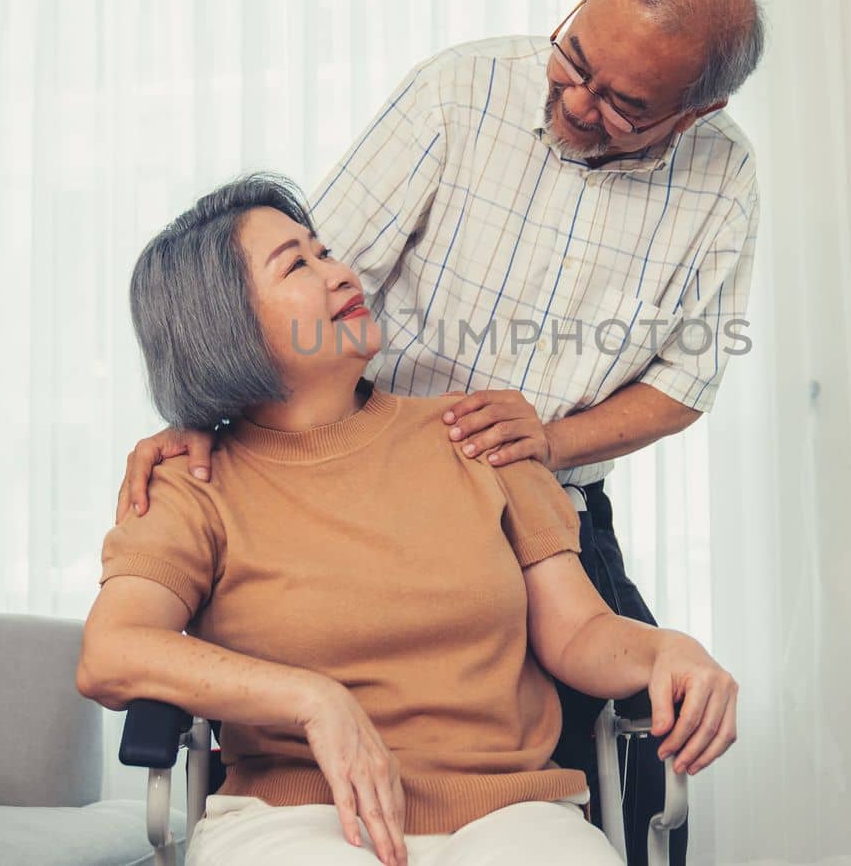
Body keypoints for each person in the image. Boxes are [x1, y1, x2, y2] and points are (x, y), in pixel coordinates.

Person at [115, 0, 764, 865]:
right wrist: (196, 412)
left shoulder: (725, 179)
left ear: (700, 109)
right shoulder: (461, 94)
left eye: (624, 105)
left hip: (531, 492)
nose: (578, 102)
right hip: (330, 475)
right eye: (573, 60)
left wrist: (543, 439)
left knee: (641, 778)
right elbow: (281, 285)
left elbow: (683, 383)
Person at [79, 175, 739, 866]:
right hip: (293, 818)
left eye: (324, 251)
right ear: (225, 325)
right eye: (297, 264)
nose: (339, 273)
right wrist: (312, 699)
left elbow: (578, 630)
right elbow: (112, 651)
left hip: (511, 813)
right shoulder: (195, 482)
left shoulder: (476, 436)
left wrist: (667, 648)